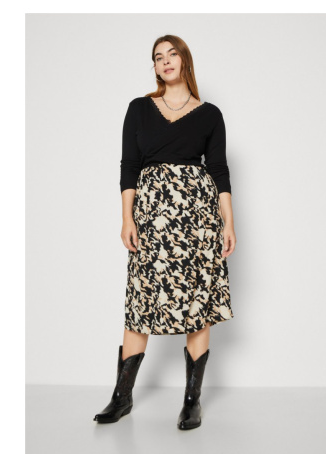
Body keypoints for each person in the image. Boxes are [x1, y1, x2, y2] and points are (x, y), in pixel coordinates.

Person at [93, 35, 236, 430]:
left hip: (198, 218)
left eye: (172, 54)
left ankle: (192, 402)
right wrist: (127, 218)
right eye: (158, 57)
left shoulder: (210, 115)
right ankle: (121, 397)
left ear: (184, 60)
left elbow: (219, 170)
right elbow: (129, 165)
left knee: (198, 302)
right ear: (155, 67)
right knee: (141, 301)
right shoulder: (139, 108)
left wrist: (229, 222)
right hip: (151, 215)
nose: (166, 61)